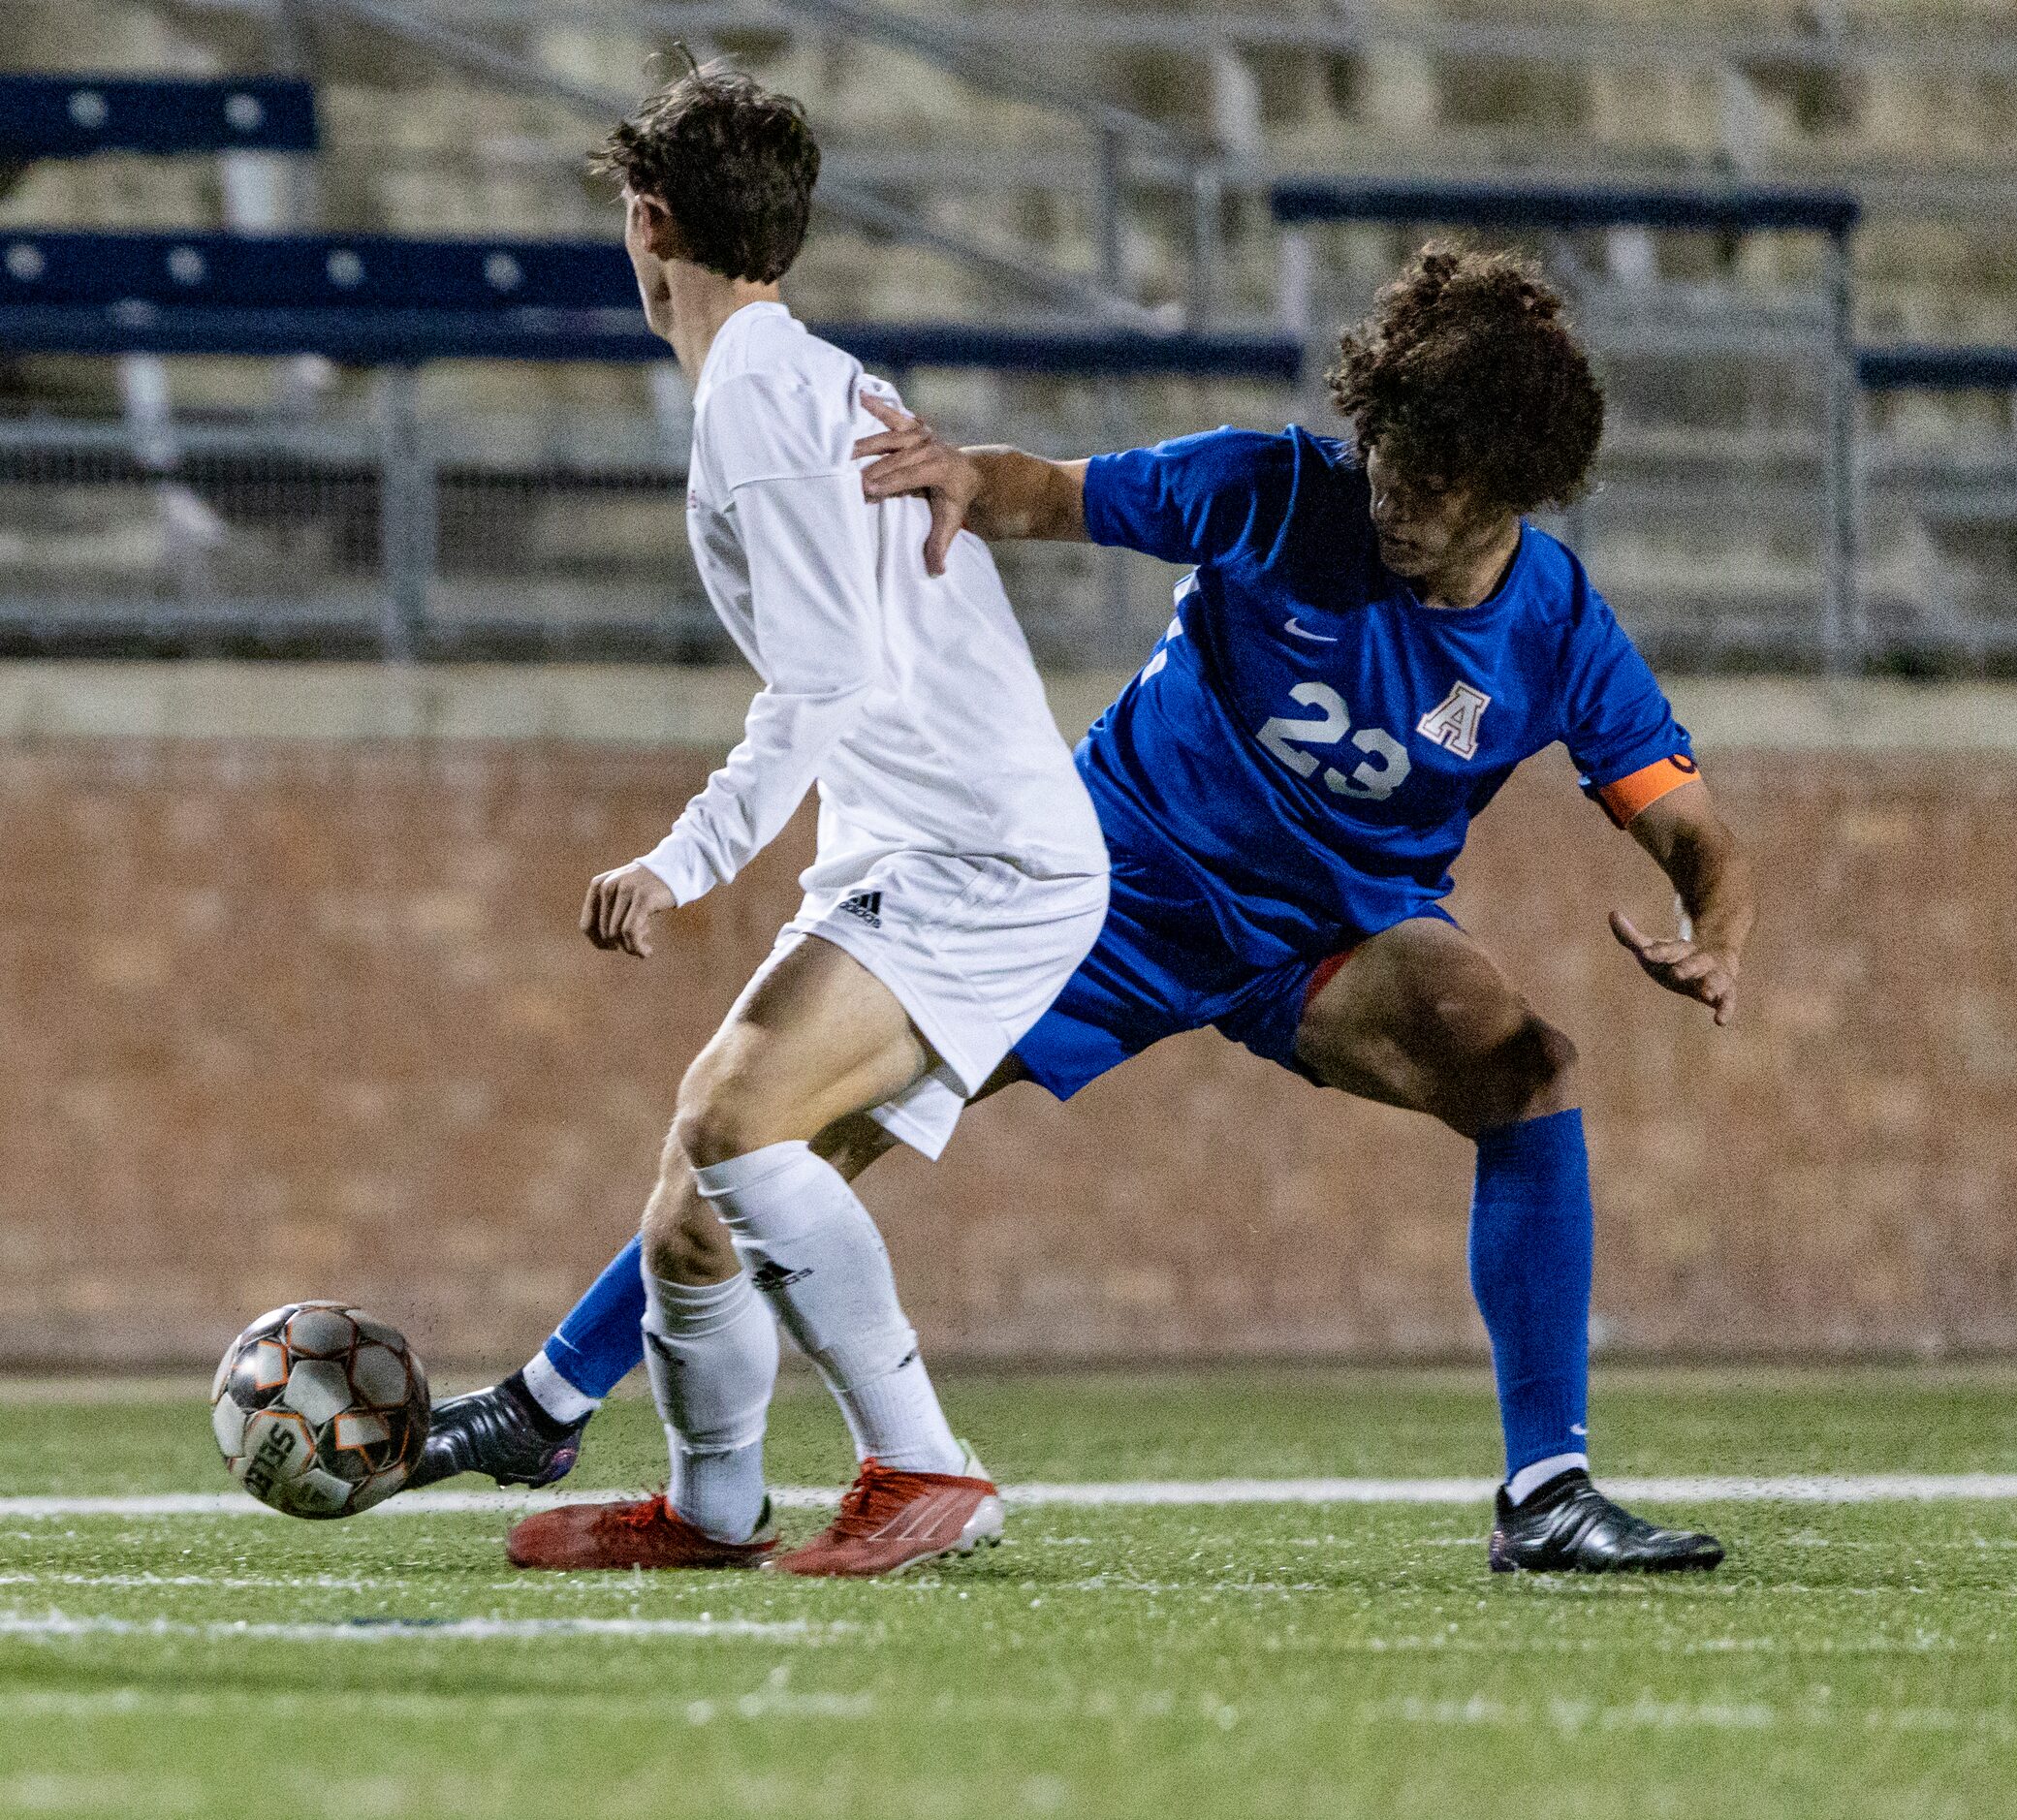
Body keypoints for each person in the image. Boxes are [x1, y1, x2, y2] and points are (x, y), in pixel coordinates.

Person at [427, 242, 1753, 1575]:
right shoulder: (1280, 490)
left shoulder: (1558, 631)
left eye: (1442, 476)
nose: (1401, 493)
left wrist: (1713, 924)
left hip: (1328, 941)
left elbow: (1690, 829)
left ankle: (1546, 1493)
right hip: (1107, 897)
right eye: (1393, 451)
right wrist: (957, 474)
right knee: (797, 1135)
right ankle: (544, 1403)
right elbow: (1056, 493)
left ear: (1517, 486)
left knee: (1525, 1067)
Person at [480, 60, 1110, 1579]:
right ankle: (708, 1509)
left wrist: (678, 859)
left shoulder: (761, 397)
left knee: (725, 1121)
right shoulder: (808, 377)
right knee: (694, 1215)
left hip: (976, 854)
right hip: (929, 840)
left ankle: (921, 1466)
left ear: (648, 223)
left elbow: (818, 682)